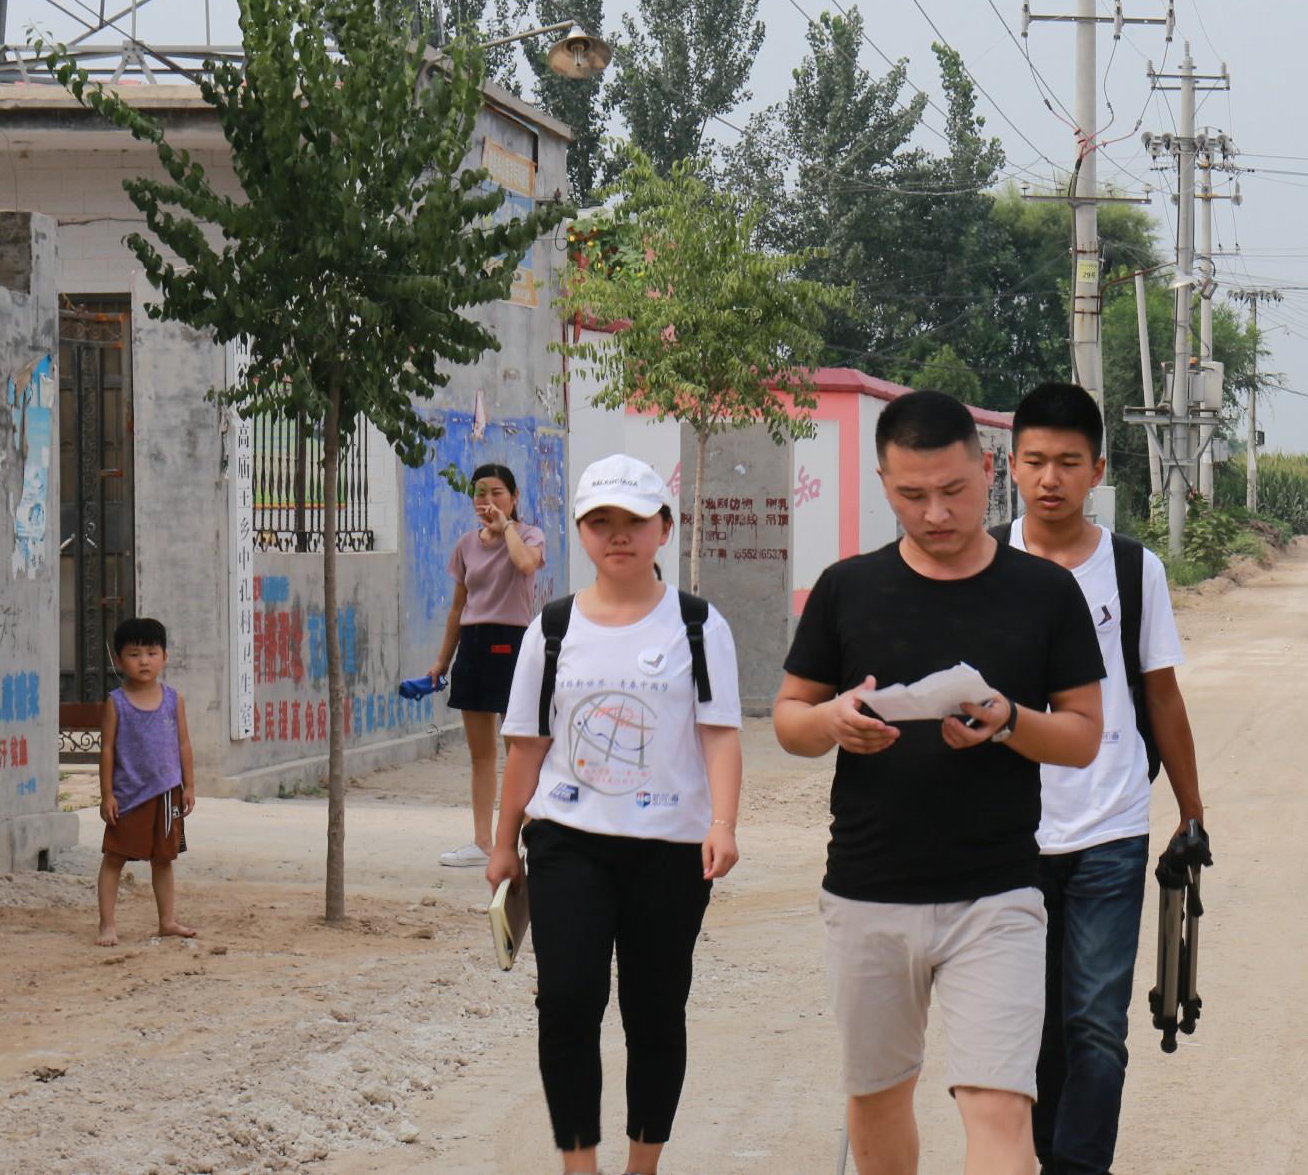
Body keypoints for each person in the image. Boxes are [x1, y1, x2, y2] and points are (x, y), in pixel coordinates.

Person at [774, 389, 1106, 1175]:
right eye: (911, 495)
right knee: (878, 1099)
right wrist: (833, 722)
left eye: (953, 492)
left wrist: (1009, 719)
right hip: (867, 888)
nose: (935, 513)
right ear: (884, 480)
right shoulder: (847, 587)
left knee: (1000, 1106)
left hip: (997, 894)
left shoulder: (1044, 592)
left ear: (986, 472)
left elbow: (1084, 736)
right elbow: (790, 716)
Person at [485, 453, 743, 1175]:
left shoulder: (698, 625)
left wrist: (723, 823)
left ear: (665, 526)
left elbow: (720, 732)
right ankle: (579, 1163)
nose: (617, 534)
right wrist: (504, 842)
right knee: (567, 1000)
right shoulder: (553, 629)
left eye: (634, 520)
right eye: (601, 521)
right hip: (569, 840)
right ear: (580, 531)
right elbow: (526, 745)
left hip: (671, 847)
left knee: (654, 1009)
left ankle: (642, 1164)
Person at [999, 382, 1206, 1175]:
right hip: (1006, 828)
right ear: (1011, 465)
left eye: (1069, 463)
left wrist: (1191, 810)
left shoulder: (1132, 568)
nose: (1051, 478)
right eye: (1036, 461)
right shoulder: (982, 561)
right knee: (1028, 1022)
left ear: (1099, 470)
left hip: (1110, 823)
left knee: (1093, 1021)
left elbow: (1160, 691)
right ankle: (1036, 1157)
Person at [431, 462, 547, 867]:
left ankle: (524, 839)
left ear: (514, 497)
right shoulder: (465, 545)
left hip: (514, 643)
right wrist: (442, 661)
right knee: (481, 755)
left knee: (519, 749)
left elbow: (525, 565)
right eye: (480, 493)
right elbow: (458, 607)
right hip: (474, 645)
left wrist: (507, 528)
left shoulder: (529, 535)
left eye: (497, 492)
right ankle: (482, 843)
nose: (487, 500)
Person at [96, 617, 196, 946]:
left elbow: (183, 743)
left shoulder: (173, 699)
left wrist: (189, 786)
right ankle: (107, 925)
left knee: (164, 860)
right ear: (118, 659)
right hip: (128, 796)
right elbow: (107, 750)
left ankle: (167, 921)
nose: (144, 661)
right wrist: (107, 794)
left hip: (168, 793)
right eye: (134, 653)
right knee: (114, 859)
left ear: (164, 657)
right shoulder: (117, 703)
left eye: (152, 653)